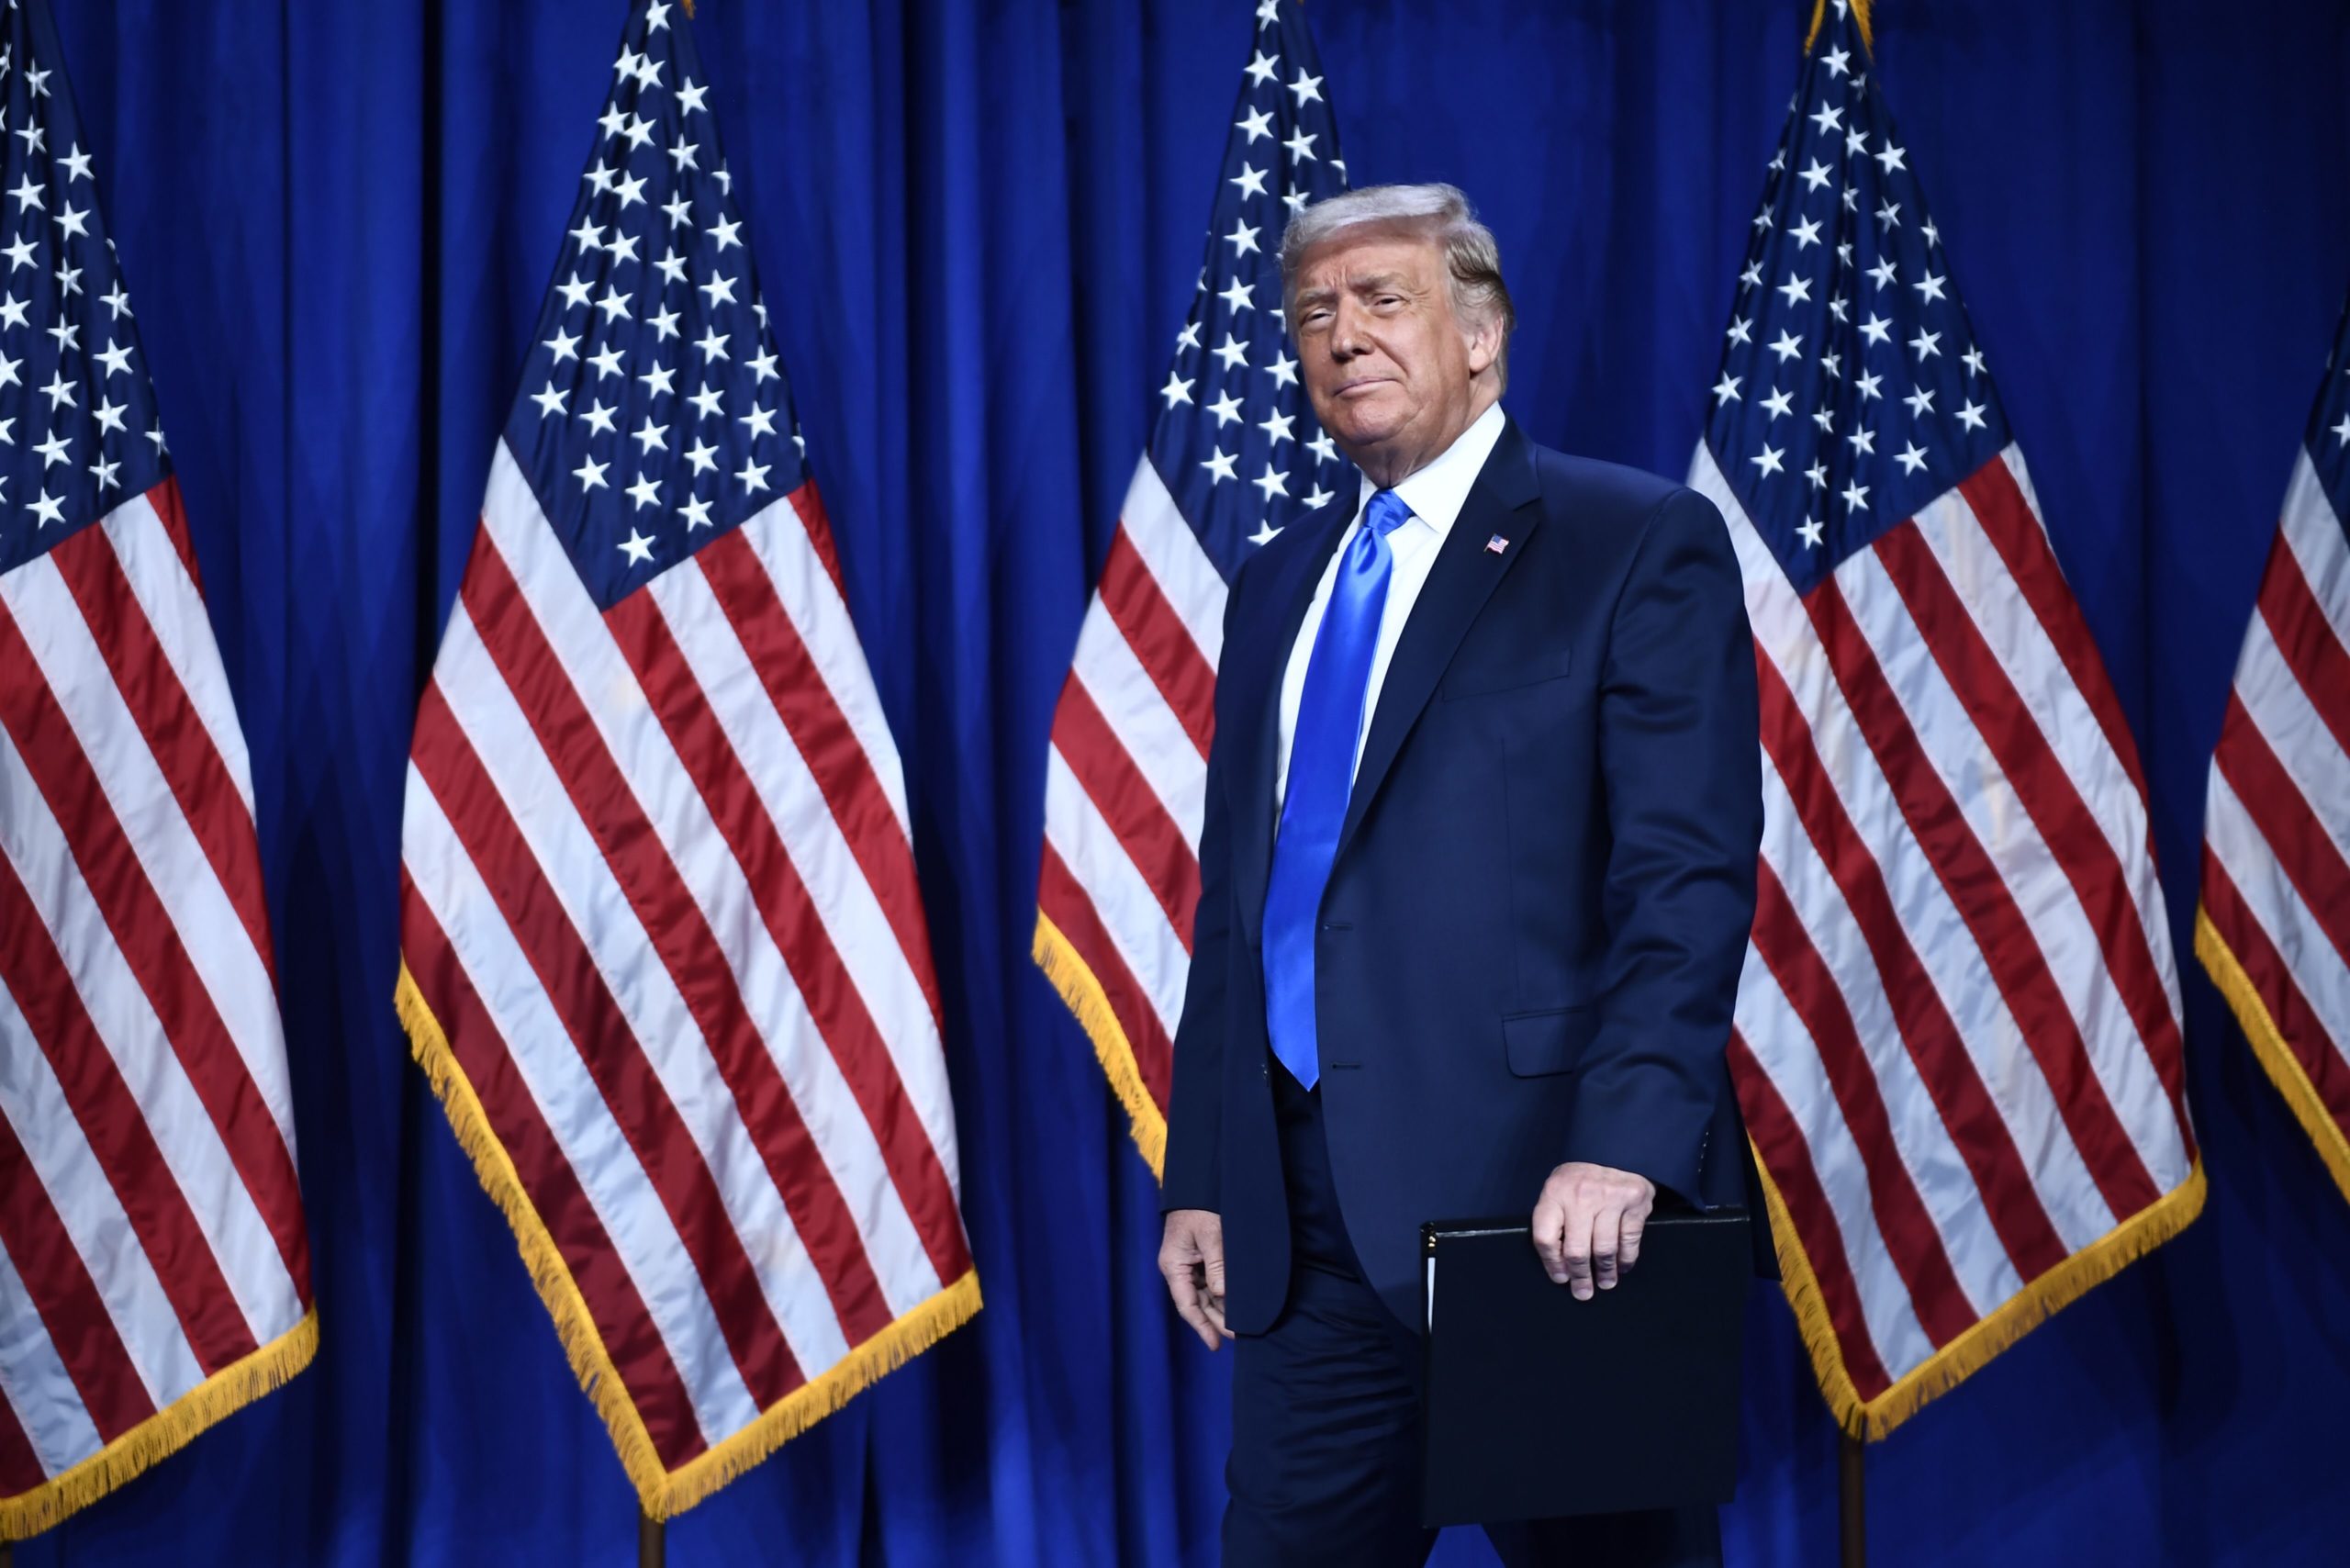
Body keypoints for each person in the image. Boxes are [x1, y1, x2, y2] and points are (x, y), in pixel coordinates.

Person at [1155, 183, 1764, 1568]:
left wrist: (1624, 1143)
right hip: (1303, 1237)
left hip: (1550, 1216)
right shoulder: (1274, 582)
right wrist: (1207, 1164)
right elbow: (1243, 906)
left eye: (1384, 300)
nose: (1344, 335)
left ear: (1481, 334)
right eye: (1315, 312)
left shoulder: (1632, 542)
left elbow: (1685, 879)